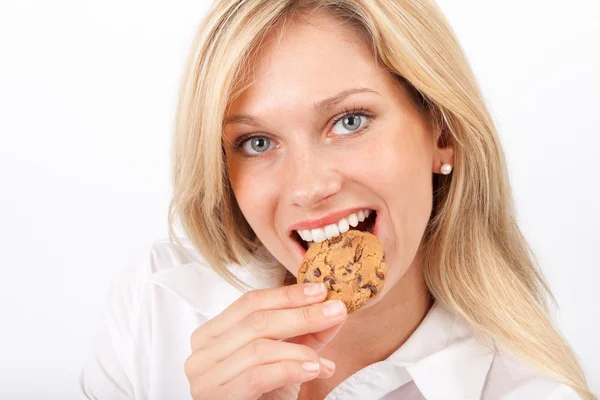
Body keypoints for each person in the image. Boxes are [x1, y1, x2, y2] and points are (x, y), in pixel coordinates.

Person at [79, 0, 596, 399]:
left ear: (442, 133)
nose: (307, 187)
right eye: (257, 143)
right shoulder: (156, 307)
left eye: (349, 121)